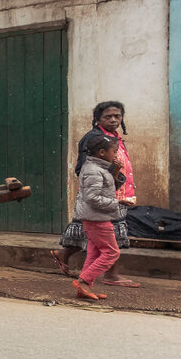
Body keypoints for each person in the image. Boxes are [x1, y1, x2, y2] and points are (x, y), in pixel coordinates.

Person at [50, 101, 139, 287]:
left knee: (95, 239)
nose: (114, 120)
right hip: (102, 196)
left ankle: (83, 276)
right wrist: (109, 182)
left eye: (117, 116)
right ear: (98, 119)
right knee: (108, 239)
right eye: (108, 116)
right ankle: (108, 276)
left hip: (113, 192)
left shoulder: (114, 137)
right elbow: (85, 169)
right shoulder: (95, 139)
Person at [73, 135, 132, 299]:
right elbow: (92, 198)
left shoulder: (98, 168)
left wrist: (115, 170)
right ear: (101, 152)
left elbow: (107, 187)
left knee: (93, 253)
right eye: (114, 152)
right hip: (97, 219)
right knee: (112, 253)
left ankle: (84, 288)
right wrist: (118, 201)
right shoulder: (93, 170)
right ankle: (84, 281)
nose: (116, 156)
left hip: (95, 218)